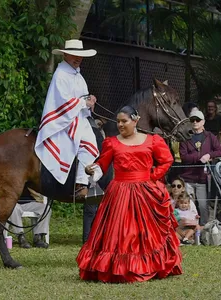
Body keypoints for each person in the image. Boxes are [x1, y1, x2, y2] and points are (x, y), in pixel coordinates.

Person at [76, 105, 182, 283]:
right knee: (120, 232)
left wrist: (152, 177)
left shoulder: (152, 140)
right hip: (119, 192)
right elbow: (102, 165)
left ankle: (148, 266)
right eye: (118, 121)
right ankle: (119, 267)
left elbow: (167, 160)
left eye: (124, 121)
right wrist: (91, 169)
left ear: (136, 120)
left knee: (145, 232)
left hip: (145, 191)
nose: (120, 125)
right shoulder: (111, 142)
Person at [35, 39, 99, 199]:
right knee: (89, 142)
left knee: (92, 134)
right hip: (63, 119)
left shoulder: (78, 75)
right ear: (65, 54)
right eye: (74, 55)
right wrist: (83, 102)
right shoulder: (61, 74)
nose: (77, 58)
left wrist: (89, 101)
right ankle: (81, 183)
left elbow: (80, 99)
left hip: (75, 117)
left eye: (80, 56)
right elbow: (62, 102)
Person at [179, 110, 221, 226]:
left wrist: (209, 155)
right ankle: (190, 228)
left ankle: (204, 228)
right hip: (187, 177)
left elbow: (220, 151)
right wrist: (199, 157)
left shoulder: (210, 136)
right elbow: (184, 157)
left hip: (202, 178)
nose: (195, 122)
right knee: (188, 204)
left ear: (203, 122)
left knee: (203, 205)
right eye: (192, 120)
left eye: (197, 120)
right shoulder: (185, 137)